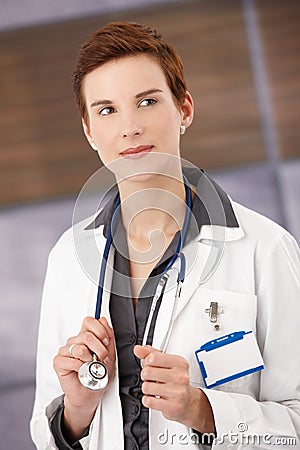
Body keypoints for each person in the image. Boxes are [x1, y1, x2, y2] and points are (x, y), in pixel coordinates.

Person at [30, 22, 300, 450]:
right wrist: (77, 409)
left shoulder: (265, 250)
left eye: (147, 102)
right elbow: (47, 434)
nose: (130, 127)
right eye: (106, 110)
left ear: (185, 109)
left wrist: (202, 409)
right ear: (88, 131)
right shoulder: (68, 257)